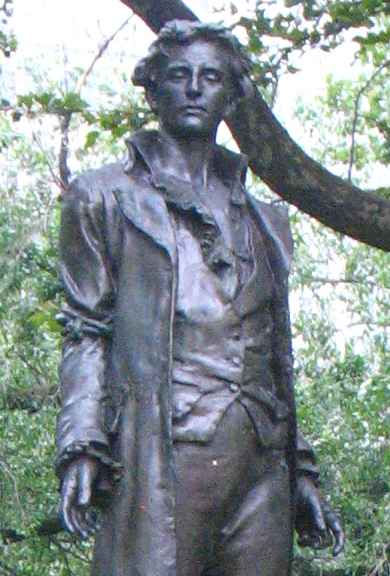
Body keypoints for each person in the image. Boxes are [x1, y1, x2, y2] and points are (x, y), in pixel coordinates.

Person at [56, 20, 344, 576]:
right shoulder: (105, 198)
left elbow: (277, 355)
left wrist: (299, 470)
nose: (194, 88)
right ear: (153, 88)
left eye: (210, 77)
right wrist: (83, 444)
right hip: (164, 454)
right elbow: (86, 330)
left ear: (231, 94)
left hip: (260, 467)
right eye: (178, 76)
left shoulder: (264, 218)